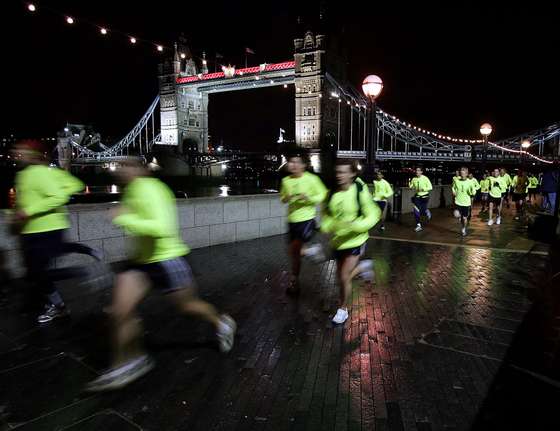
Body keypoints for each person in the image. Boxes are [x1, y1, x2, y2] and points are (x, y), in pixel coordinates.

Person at [86, 158, 236, 392]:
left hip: (167, 260)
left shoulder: (153, 190)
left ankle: (222, 322)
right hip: (140, 263)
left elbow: (161, 228)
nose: (121, 170)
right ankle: (128, 362)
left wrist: (124, 218)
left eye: (127, 166)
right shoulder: (132, 190)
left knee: (188, 307)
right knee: (120, 312)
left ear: (141, 169)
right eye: (120, 166)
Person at [11, 140, 85, 323]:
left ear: (33, 154)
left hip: (47, 228)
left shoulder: (41, 173)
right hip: (30, 230)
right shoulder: (23, 175)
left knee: (39, 272)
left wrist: (28, 211)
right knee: (35, 273)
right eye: (16, 152)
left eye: (21, 151)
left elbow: (60, 195)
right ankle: (57, 304)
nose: (17, 155)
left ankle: (77, 276)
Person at [321, 159, 380, 325]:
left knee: (343, 276)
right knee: (342, 278)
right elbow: (326, 216)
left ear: (353, 173)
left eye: (344, 172)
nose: (340, 175)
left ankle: (343, 309)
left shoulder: (359, 190)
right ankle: (363, 267)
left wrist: (354, 225)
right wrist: (327, 226)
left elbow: (373, 213)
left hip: (356, 240)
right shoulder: (331, 192)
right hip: (338, 242)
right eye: (338, 172)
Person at [279, 153, 327, 295]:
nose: (293, 165)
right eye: (290, 162)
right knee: (294, 254)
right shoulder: (286, 180)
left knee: (294, 250)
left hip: (306, 220)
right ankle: (295, 282)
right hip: (292, 221)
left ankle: (311, 253)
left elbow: (323, 194)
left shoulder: (312, 179)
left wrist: (308, 198)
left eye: (296, 162)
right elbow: (282, 199)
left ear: (303, 165)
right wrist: (286, 197)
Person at [452, 167, 476, 236]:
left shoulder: (470, 182)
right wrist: (454, 192)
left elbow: (474, 192)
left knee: (464, 218)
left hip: (466, 203)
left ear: (467, 174)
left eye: (464, 173)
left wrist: (471, 192)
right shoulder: (457, 181)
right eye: (461, 173)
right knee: (456, 214)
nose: (462, 175)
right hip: (458, 202)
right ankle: (460, 218)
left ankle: (464, 228)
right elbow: (453, 187)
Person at [409, 167, 433, 232]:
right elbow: (411, 186)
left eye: (419, 170)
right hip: (417, 196)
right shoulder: (414, 179)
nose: (417, 172)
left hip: (425, 196)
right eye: (416, 170)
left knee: (422, 211)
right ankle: (418, 225)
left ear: (421, 172)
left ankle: (426, 211)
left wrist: (423, 189)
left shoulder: (425, 178)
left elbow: (430, 187)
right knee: (416, 210)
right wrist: (411, 186)